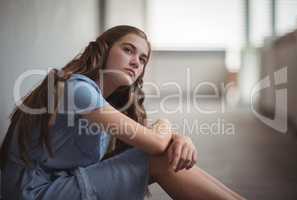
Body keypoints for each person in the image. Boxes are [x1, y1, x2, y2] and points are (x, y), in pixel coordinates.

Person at [0, 25, 245, 200]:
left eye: (143, 58)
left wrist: (180, 139)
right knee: (159, 158)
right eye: (128, 50)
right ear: (105, 49)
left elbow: (152, 143)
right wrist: (166, 124)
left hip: (58, 184)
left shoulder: (106, 102)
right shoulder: (77, 89)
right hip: (35, 193)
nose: (137, 62)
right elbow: (157, 143)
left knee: (163, 156)